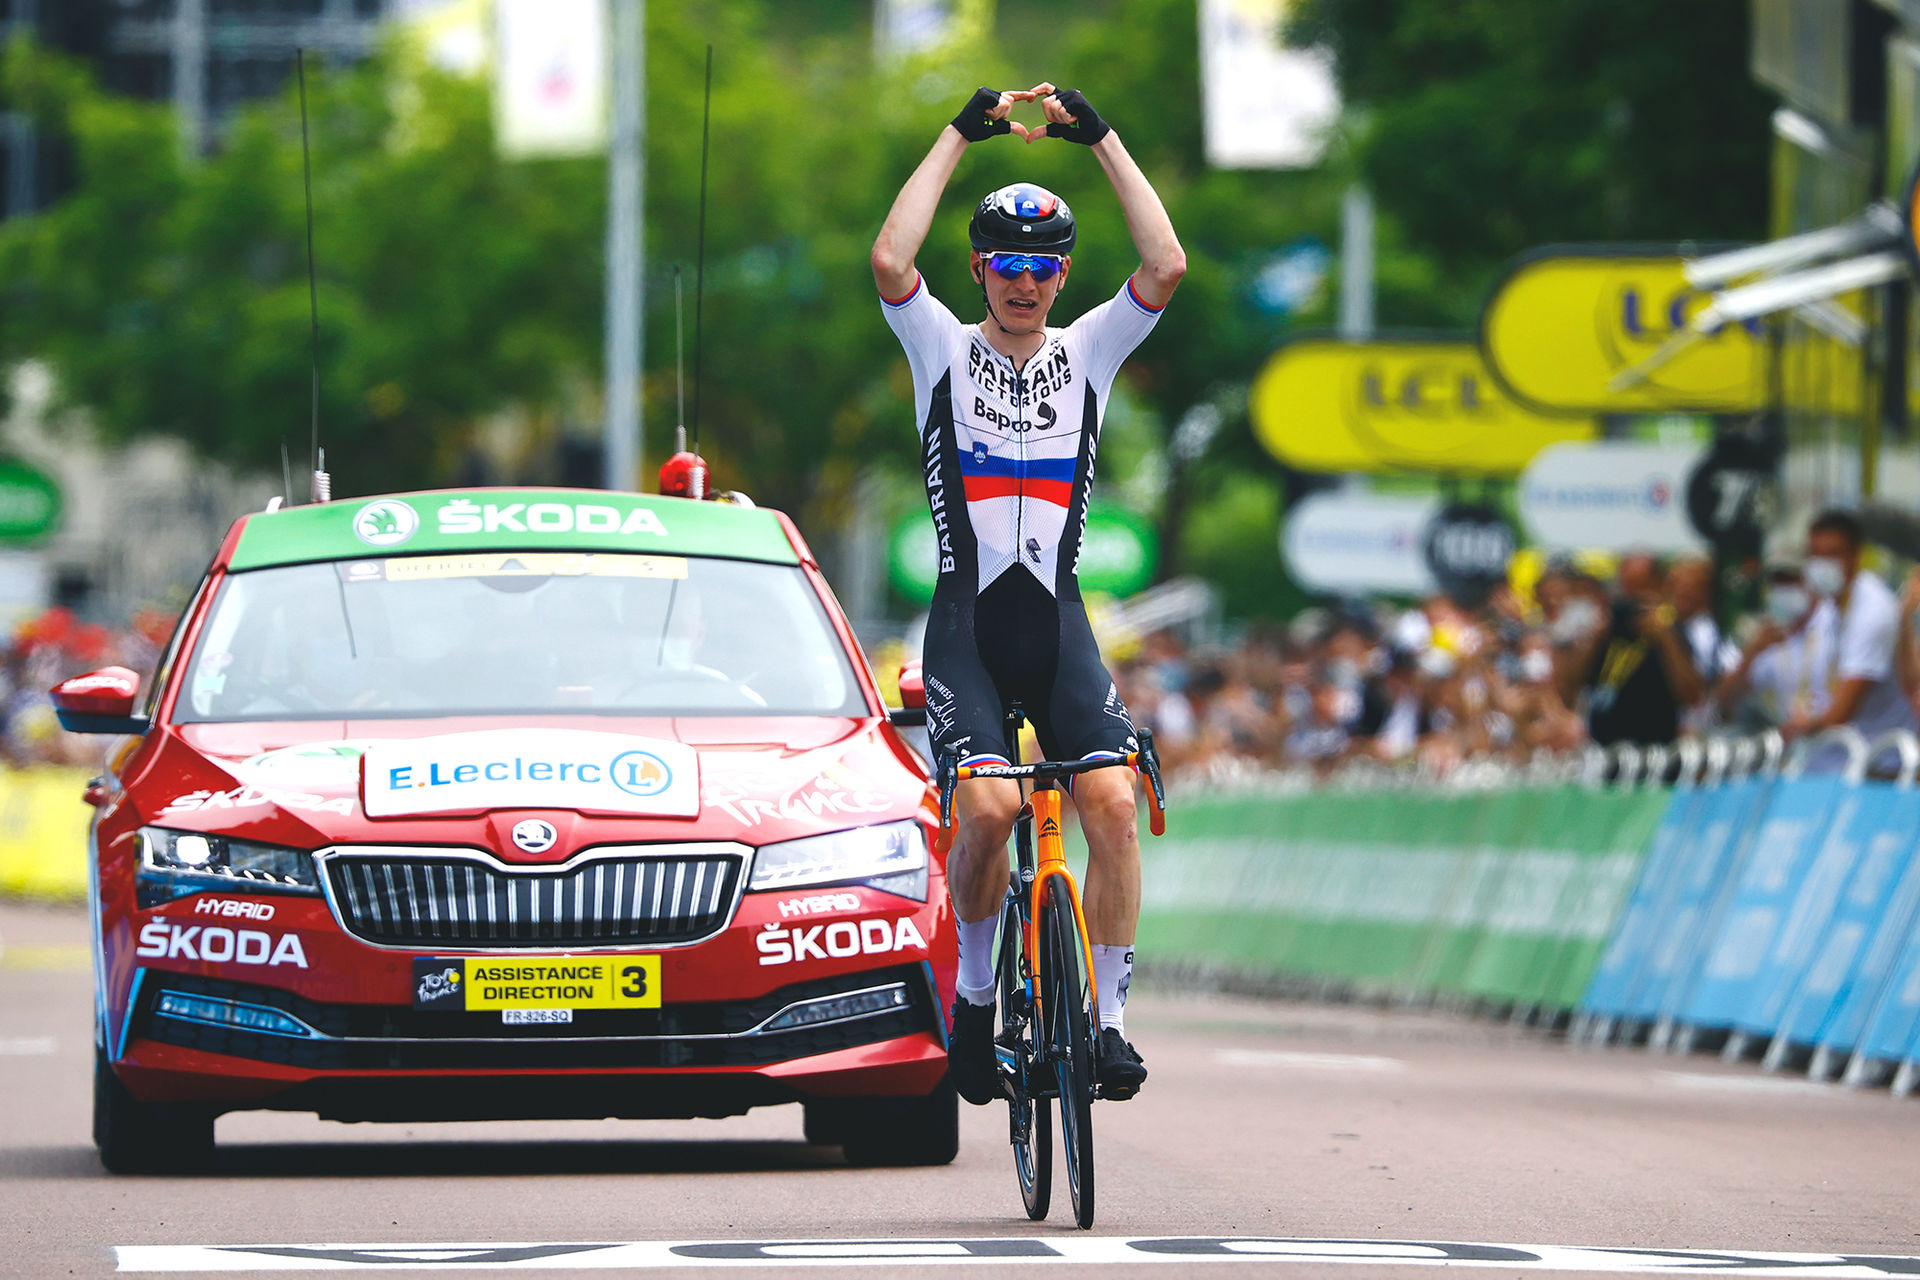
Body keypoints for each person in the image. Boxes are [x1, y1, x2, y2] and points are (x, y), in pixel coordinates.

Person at [872, 83, 1185, 1104]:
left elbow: (1165, 263)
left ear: (1061, 277)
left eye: (1043, 266)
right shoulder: (941, 349)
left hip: (1057, 619)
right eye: (1005, 264)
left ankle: (1109, 1024)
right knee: (994, 809)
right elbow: (888, 260)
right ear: (978, 270)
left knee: (1110, 802)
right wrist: (962, 132)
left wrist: (1101, 137)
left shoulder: (1089, 347)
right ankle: (971, 999)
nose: (1024, 282)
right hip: (966, 621)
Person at [1782, 510, 1918, 756]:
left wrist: (1794, 728)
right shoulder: (1827, 609)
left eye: (1832, 554)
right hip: (1837, 763)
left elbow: (1840, 715)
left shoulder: (1873, 611)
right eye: (1815, 555)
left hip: (1880, 770)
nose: (1822, 565)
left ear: (1856, 555)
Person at [1559, 554, 1702, 747]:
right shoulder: (1610, 627)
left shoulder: (1674, 629)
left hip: (1653, 755)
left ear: (1658, 587)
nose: (1631, 598)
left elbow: (1691, 697)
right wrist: (1592, 640)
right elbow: (1568, 688)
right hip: (1603, 752)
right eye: (1626, 588)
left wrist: (1665, 638)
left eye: (1641, 588)